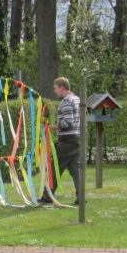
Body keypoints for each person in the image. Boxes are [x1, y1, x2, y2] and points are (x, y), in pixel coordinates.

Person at [41, 77, 83, 205]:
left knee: (55, 167)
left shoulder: (66, 101)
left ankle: (47, 196)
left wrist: (50, 127)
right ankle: (81, 198)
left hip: (67, 141)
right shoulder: (77, 99)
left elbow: (68, 122)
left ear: (62, 87)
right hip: (77, 139)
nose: (55, 91)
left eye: (55, 88)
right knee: (75, 170)